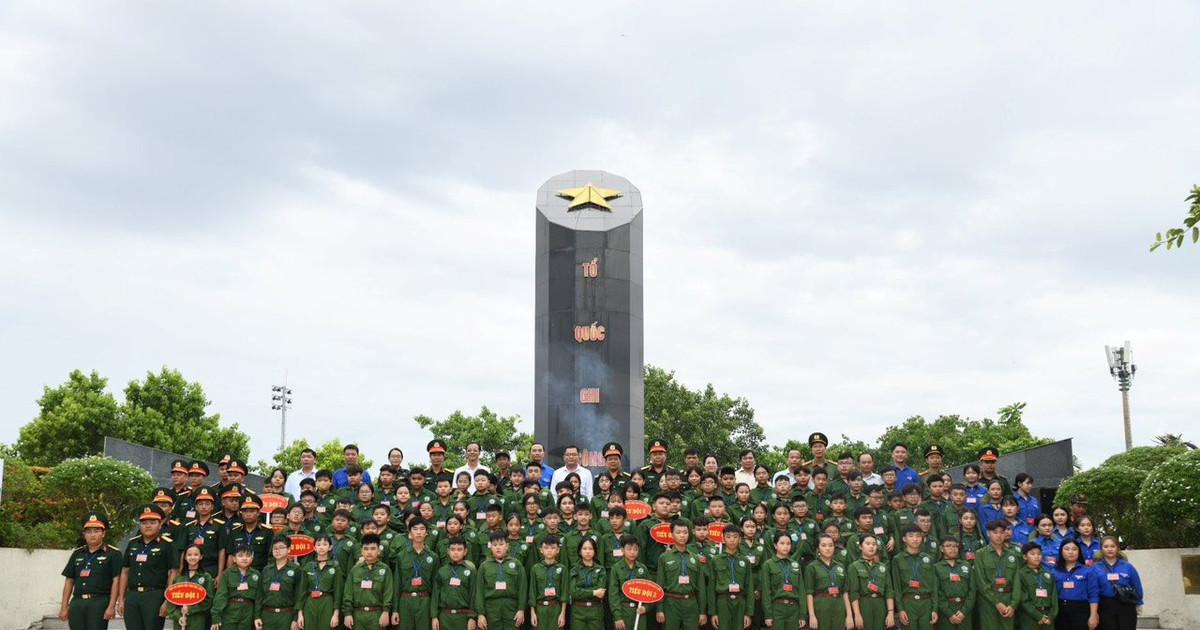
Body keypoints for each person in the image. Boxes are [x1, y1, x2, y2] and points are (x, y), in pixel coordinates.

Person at [118, 504, 178, 630]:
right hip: (132, 596)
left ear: (160, 524)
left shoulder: (167, 544)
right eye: (144, 522)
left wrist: (167, 600)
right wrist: (122, 600)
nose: (148, 525)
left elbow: (173, 572)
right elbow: (125, 571)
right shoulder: (133, 543)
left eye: (152, 522)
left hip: (154, 596)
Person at [59, 511, 122, 630]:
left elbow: (116, 581)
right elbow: (69, 581)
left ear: (103, 533)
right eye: (89, 531)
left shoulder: (113, 554)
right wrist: (64, 607)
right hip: (77, 603)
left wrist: (111, 606)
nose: (92, 535)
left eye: (97, 531)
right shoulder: (77, 554)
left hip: (98, 602)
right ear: (84, 534)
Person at [655, 520, 708, 630]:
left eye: (685, 532)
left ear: (689, 534)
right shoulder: (664, 557)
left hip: (691, 603)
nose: (682, 536)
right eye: (678, 532)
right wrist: (659, 609)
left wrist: (702, 611)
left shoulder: (694, 558)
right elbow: (660, 584)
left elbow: (701, 586)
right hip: (671, 603)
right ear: (672, 534)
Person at [974, 519, 1023, 630]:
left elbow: (1016, 582)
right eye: (995, 532)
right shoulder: (980, 554)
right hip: (988, 601)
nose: (999, 535)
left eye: (1002, 532)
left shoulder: (1012, 555)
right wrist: (997, 603)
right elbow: (981, 582)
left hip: (1008, 599)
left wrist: (1013, 605)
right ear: (988, 533)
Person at [475, 531, 527, 630]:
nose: (498, 547)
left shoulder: (516, 564)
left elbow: (522, 588)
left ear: (507, 546)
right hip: (491, 609)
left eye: (501, 544)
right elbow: (479, 591)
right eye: (495, 545)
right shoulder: (484, 566)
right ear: (490, 546)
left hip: (512, 608)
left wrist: (521, 609)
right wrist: (480, 614)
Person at [891, 525, 938, 630]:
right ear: (904, 539)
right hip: (908, 602)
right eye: (911, 536)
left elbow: (934, 585)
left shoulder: (928, 558)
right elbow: (897, 587)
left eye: (918, 536)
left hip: (926, 602)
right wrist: (900, 609)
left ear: (922, 538)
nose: (915, 539)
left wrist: (935, 608)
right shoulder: (898, 559)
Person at [344, 533, 393, 630]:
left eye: (373, 549)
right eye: (366, 549)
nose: (369, 552)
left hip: (377, 615)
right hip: (358, 615)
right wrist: (347, 614)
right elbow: (348, 593)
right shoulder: (355, 570)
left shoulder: (385, 569)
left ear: (379, 551)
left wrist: (386, 612)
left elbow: (388, 592)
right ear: (361, 551)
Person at [1093, 536, 1143, 630]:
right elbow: (1093, 589)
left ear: (1118, 548)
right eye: (1106, 546)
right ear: (1101, 549)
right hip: (1105, 606)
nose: (1109, 549)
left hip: (1126, 604)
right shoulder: (1095, 568)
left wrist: (1139, 603)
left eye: (1113, 546)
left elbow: (1136, 585)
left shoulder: (1127, 566)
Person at [762, 531, 808, 630]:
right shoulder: (768, 564)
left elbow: (801, 591)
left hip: (794, 608)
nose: (785, 546)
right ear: (775, 545)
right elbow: (766, 591)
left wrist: (802, 615)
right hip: (776, 608)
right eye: (782, 543)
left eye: (788, 543)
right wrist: (768, 615)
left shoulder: (795, 565)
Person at [805, 533, 851, 630]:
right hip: (821, 605)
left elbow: (845, 592)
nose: (828, 548)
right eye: (823, 545)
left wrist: (849, 615)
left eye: (831, 545)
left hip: (839, 604)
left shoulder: (840, 566)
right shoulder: (812, 567)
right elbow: (809, 593)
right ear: (818, 548)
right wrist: (812, 616)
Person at [210, 543, 261, 630]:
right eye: (240, 556)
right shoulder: (227, 573)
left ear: (252, 558)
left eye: (248, 555)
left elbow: (258, 598)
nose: (244, 558)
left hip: (248, 611)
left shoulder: (256, 574)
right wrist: (216, 615)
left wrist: (257, 616)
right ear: (234, 559)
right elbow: (221, 595)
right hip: (230, 609)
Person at [847, 533, 893, 630]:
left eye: (874, 544)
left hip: (880, 604)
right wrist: (857, 614)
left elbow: (889, 591)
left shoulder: (882, 567)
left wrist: (890, 612)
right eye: (867, 544)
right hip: (864, 604)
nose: (871, 546)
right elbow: (854, 593)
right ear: (860, 547)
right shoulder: (854, 566)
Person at [1051, 539, 1099, 630]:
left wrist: (1093, 615)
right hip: (1060, 610)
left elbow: (1093, 594)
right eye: (1067, 549)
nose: (1070, 552)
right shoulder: (1055, 571)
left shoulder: (1088, 570)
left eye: (1074, 549)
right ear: (1061, 551)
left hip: (1081, 610)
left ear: (1079, 552)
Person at [258, 535, 303, 630]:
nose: (278, 551)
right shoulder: (266, 570)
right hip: (267, 616)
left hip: (286, 616)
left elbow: (299, 595)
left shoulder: (296, 569)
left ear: (289, 549)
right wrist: (257, 616)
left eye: (281, 548)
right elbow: (259, 595)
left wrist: (295, 618)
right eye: (275, 548)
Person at [299, 534, 342, 630]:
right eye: (318, 544)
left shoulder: (335, 567)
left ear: (330, 547)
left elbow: (338, 592)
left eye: (324, 544)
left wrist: (336, 614)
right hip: (310, 602)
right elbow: (302, 592)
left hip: (327, 602)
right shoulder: (308, 566)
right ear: (314, 547)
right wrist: (300, 614)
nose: (321, 547)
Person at [608, 535, 652, 630]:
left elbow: (651, 591)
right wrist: (617, 616)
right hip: (623, 611)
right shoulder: (616, 568)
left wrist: (646, 608)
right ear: (622, 550)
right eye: (629, 549)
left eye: (635, 549)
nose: (632, 552)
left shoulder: (642, 568)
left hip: (639, 611)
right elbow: (613, 594)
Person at [167, 545, 213, 630]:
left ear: (201, 557)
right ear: (185, 557)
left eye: (196, 554)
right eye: (189, 555)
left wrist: (191, 609)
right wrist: (178, 617)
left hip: (197, 619)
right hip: (180, 619)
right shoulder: (178, 578)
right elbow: (170, 600)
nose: (192, 557)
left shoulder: (206, 577)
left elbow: (209, 600)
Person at [933, 535, 974, 630]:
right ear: (941, 549)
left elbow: (972, 590)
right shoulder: (936, 567)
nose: (953, 549)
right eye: (948, 546)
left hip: (965, 609)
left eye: (955, 546)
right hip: (946, 610)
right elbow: (937, 592)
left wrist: (964, 611)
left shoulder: (966, 565)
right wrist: (949, 613)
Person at [529, 534, 568, 630]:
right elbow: (532, 592)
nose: (549, 550)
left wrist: (562, 613)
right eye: (546, 548)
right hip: (540, 609)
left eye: (553, 548)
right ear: (541, 550)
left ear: (558, 550)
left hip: (556, 608)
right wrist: (533, 613)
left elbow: (564, 593)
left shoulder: (562, 568)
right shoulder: (536, 568)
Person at [1016, 542, 1057, 629]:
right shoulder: (1021, 574)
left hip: (1048, 616)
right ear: (1024, 557)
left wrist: (1051, 616)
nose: (1037, 556)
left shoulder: (1048, 574)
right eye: (1032, 554)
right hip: (1029, 617)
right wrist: (1039, 616)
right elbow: (1023, 600)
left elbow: (1054, 598)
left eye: (1039, 554)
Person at [568, 538, 607, 630]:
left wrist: (581, 591)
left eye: (591, 549)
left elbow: (600, 593)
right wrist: (593, 592)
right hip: (578, 611)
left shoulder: (601, 570)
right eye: (584, 549)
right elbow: (573, 592)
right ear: (580, 551)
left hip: (595, 610)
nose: (588, 551)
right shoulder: (574, 569)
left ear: (595, 551)